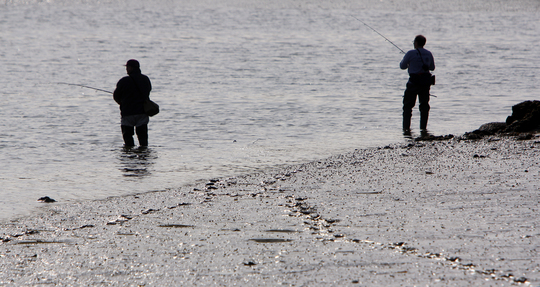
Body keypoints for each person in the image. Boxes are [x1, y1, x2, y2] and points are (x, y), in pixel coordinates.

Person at [400, 35, 435, 133]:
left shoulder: (410, 53)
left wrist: (410, 64)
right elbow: (432, 67)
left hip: (413, 82)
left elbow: (402, 66)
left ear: (415, 43)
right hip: (425, 83)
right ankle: (423, 129)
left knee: (407, 107)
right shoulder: (428, 53)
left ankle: (406, 130)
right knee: (424, 106)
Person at [113, 59, 152, 148]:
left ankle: (129, 156)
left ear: (131, 68)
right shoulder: (145, 79)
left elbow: (116, 96)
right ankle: (143, 156)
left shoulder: (124, 81)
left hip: (128, 113)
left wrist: (122, 103)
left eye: (127, 67)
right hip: (142, 113)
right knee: (143, 140)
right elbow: (147, 92)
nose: (126, 69)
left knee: (128, 140)